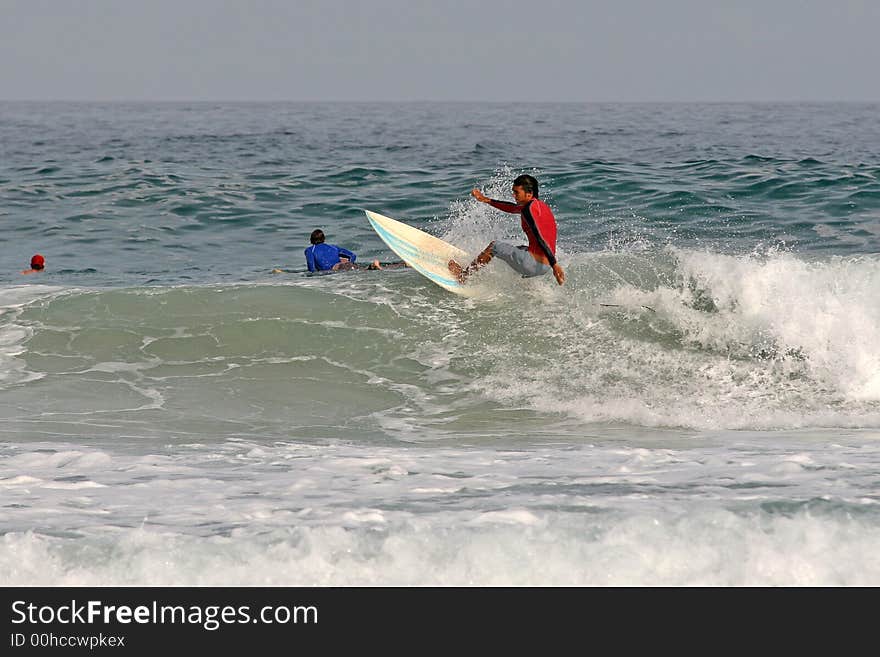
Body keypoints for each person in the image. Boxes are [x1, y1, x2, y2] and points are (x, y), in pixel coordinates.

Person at [448, 175, 565, 286]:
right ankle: (526, 287)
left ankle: (463, 277)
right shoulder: (539, 206)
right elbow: (512, 208)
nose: (514, 195)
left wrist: (555, 264)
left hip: (535, 263)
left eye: (516, 192)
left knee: (494, 246)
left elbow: (539, 236)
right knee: (519, 248)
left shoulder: (528, 210)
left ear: (529, 194)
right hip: (544, 267)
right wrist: (486, 200)